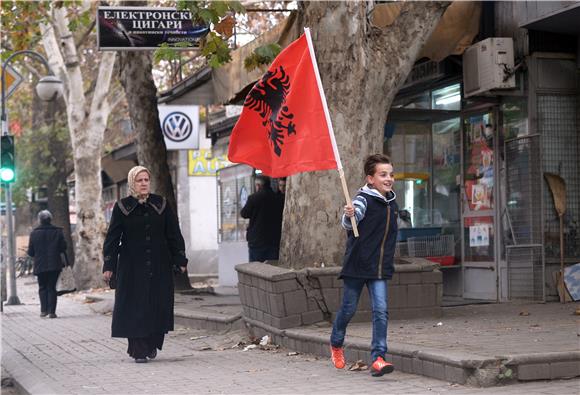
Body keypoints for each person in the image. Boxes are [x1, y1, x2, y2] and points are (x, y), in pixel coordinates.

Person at [102, 166, 188, 363]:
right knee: (135, 307)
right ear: (133, 183)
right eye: (139, 180)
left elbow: (174, 234)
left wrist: (180, 259)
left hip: (159, 265)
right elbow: (112, 239)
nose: (143, 183)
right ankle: (138, 350)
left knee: (157, 305)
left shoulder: (162, 204)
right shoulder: (122, 207)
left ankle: (151, 344)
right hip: (131, 266)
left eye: (146, 180)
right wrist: (109, 266)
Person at [330, 154, 399, 377]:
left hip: (379, 268)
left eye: (391, 174)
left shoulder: (391, 202)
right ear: (371, 179)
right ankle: (336, 342)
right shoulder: (362, 199)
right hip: (357, 266)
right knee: (349, 309)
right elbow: (351, 218)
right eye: (383, 174)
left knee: (381, 311)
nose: (389, 179)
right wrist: (349, 214)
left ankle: (378, 358)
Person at [27, 210, 67, 318]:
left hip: (40, 264)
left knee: (42, 287)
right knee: (52, 287)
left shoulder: (34, 233)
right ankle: (52, 312)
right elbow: (63, 247)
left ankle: (43, 310)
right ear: (50, 219)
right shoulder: (58, 232)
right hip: (55, 264)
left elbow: (30, 252)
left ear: (39, 220)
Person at [240, 175, 283, 262]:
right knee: (271, 269)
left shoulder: (253, 198)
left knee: (255, 269)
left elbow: (244, 214)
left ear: (258, 185)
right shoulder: (278, 198)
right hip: (274, 241)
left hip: (257, 242)